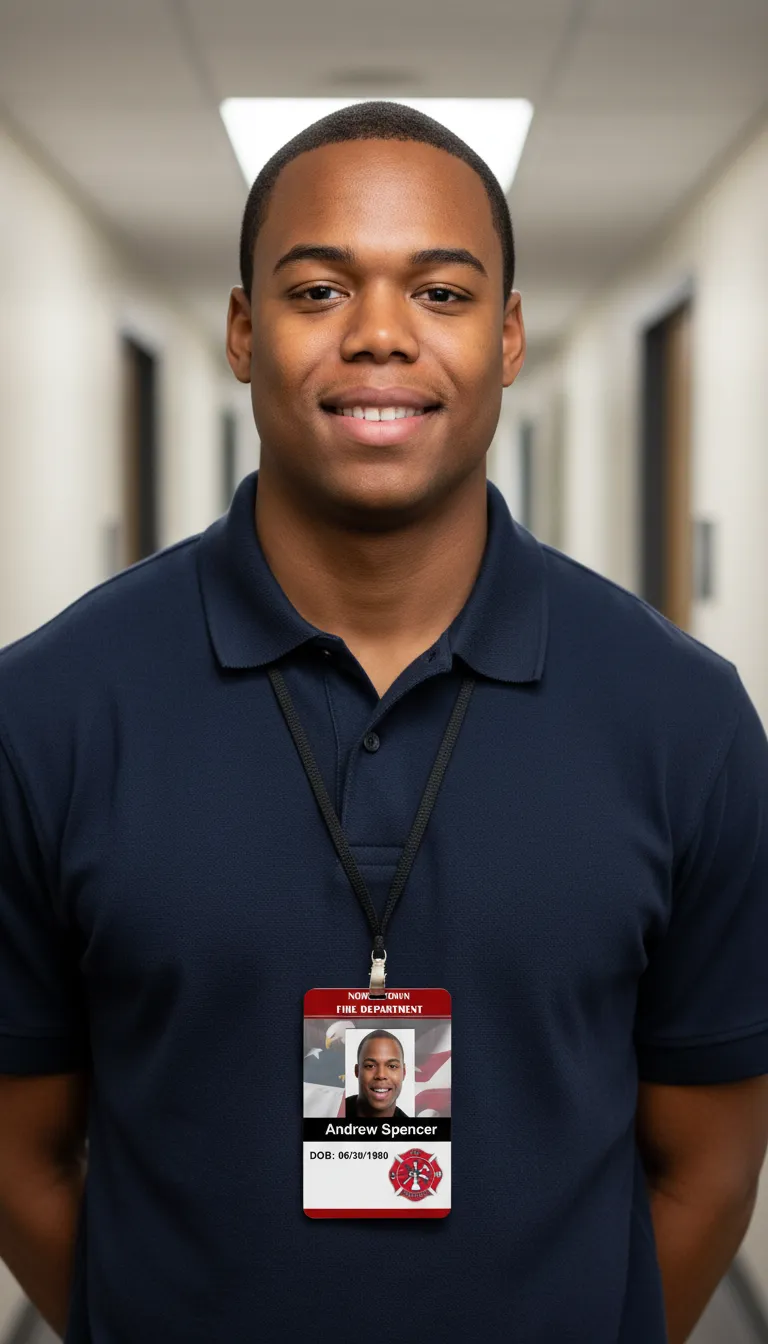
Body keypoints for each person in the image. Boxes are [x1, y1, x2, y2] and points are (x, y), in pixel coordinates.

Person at [0, 100, 767, 1344]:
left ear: (510, 337)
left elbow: (711, 1166)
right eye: (316, 290)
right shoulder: (47, 712)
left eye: (443, 293)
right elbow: (20, 1155)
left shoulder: (683, 719)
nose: (378, 335)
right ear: (244, 333)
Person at [345, 1030, 409, 1119]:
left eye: (392, 1066)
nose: (381, 1075)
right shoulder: (334, 1112)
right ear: (357, 1071)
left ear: (404, 1072)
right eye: (370, 1066)